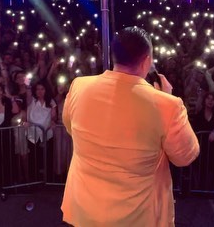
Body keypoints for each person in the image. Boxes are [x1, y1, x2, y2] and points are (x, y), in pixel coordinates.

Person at [61, 27, 199, 226]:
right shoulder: (167, 105)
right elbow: (185, 155)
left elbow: (69, 126)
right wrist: (166, 97)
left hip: (86, 210)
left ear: (114, 56)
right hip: (138, 216)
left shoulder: (79, 86)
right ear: (147, 60)